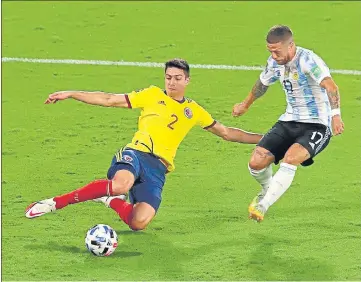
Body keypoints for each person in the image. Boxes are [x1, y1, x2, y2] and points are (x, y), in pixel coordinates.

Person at [25, 58, 263, 230]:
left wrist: (268, 139)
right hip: (136, 154)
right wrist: (70, 93)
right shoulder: (151, 95)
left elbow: (228, 133)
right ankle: (56, 202)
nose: (171, 82)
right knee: (120, 184)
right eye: (168, 77)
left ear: (187, 80)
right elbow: (109, 99)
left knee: (139, 222)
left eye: (177, 78)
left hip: (158, 169)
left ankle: (110, 199)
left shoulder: (194, 111)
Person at [232, 25, 344, 222]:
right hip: (289, 119)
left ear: (290, 45)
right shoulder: (274, 63)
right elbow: (262, 84)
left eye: (277, 51)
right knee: (256, 162)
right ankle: (268, 189)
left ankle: (263, 205)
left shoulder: (309, 60)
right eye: (270, 51)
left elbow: (330, 85)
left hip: (317, 124)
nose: (273, 56)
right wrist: (245, 105)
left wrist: (335, 115)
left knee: (291, 159)